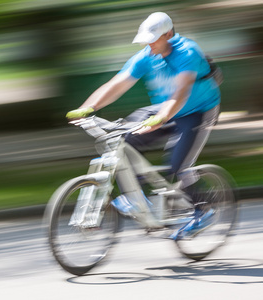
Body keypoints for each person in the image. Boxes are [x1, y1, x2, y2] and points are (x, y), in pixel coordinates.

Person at [66, 12, 221, 239]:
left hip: (197, 111)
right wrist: (87, 108)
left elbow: (181, 93)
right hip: (163, 109)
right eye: (146, 40)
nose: (149, 44)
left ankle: (203, 210)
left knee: (178, 164)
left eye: (154, 38)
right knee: (121, 140)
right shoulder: (147, 55)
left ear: (169, 34)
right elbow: (117, 84)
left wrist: (161, 118)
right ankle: (136, 197)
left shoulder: (187, 52)